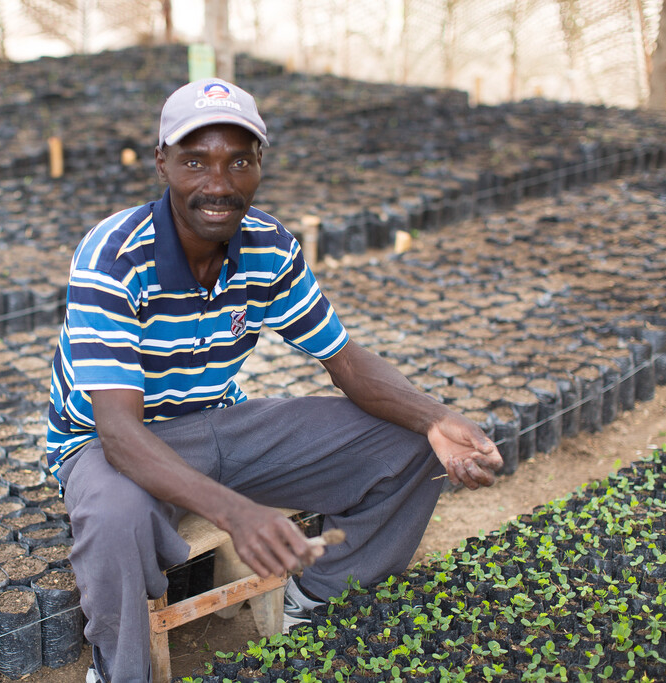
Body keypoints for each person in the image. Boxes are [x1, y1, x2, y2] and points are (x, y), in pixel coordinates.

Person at [46, 78, 503, 683]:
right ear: (163, 163)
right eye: (195, 160)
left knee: (412, 441)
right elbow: (120, 434)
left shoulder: (268, 245)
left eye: (238, 161)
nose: (218, 182)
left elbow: (344, 361)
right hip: (107, 445)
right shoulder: (114, 255)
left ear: (260, 164)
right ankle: (120, 672)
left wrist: (435, 419)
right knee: (114, 518)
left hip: (222, 423)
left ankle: (317, 602)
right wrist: (238, 514)